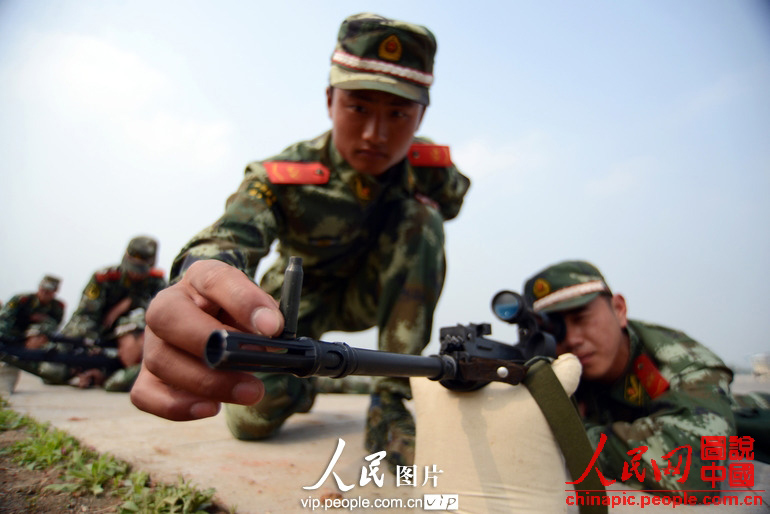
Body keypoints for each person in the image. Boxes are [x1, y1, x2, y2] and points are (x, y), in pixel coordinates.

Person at [130, 13, 470, 472]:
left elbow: (449, 204)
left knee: (423, 219)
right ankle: (302, 384)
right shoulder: (285, 175)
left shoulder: (431, 169)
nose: (376, 133)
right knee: (251, 417)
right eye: (359, 108)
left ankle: (391, 399)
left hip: (372, 294)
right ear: (330, 100)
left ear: (421, 116)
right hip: (296, 302)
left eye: (398, 114)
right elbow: (232, 231)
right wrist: (196, 279)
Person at [522, 260, 742, 499]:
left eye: (581, 318)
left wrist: (569, 437)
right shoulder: (557, 363)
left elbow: (688, 473)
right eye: (556, 329)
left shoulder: (681, 362)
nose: (573, 339)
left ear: (619, 310)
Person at [46, 236, 167, 391]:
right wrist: (89, 344)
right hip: (96, 331)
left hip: (130, 334)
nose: (135, 274)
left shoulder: (156, 281)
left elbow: (160, 311)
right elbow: (86, 315)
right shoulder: (103, 278)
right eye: (131, 267)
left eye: (141, 269)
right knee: (52, 371)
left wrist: (130, 302)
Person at [0, 275, 65, 394]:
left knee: (54, 370)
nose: (44, 293)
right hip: (11, 339)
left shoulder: (57, 307)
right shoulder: (22, 300)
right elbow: (4, 321)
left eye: (48, 291)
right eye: (42, 289)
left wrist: (38, 335)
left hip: (37, 344)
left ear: (55, 292)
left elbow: (53, 327)